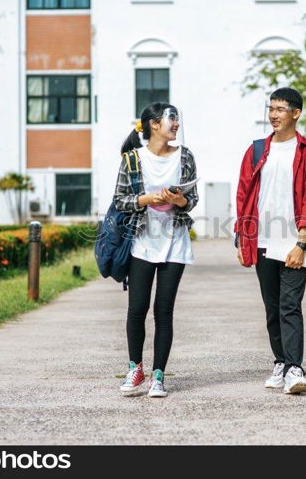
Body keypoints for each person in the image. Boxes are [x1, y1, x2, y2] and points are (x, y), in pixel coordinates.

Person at [234, 87, 306, 394]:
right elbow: (244, 195)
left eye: (280, 109)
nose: (273, 115)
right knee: (272, 307)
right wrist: (241, 236)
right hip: (261, 239)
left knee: (290, 305)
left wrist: (302, 243)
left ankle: (295, 369)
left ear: (296, 113)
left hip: (293, 241)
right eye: (271, 109)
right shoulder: (258, 150)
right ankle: (280, 362)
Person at [113, 102, 198, 397]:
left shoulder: (185, 156)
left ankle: (158, 375)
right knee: (137, 309)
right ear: (153, 124)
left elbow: (193, 199)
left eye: (176, 118)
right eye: (171, 119)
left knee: (164, 310)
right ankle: (134, 369)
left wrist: (179, 201)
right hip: (141, 242)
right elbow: (120, 200)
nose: (176, 124)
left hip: (175, 242)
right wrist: (149, 198)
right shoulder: (133, 159)